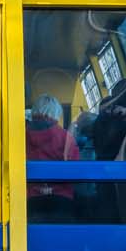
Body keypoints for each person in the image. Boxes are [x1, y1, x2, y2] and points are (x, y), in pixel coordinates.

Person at [26, 93, 78, 222]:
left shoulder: (21, 136)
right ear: (56, 113)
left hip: (31, 197)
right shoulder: (65, 137)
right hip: (61, 198)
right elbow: (74, 168)